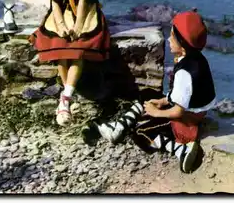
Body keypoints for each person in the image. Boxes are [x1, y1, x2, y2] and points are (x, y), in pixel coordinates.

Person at [84, 10, 216, 174]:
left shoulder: (185, 72)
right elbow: (183, 95)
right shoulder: (197, 59)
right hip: (194, 110)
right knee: (147, 94)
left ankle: (181, 151)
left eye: (172, 36)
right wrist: (162, 101)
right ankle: (118, 127)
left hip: (186, 121)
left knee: (140, 132)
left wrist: (157, 112)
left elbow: (178, 111)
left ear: (182, 46)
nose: (168, 39)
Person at [29, 0, 110, 126]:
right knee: (60, 45)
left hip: (85, 11)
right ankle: (68, 96)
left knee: (78, 46)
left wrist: (78, 26)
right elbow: (55, 2)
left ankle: (64, 100)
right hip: (63, 13)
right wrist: (61, 24)